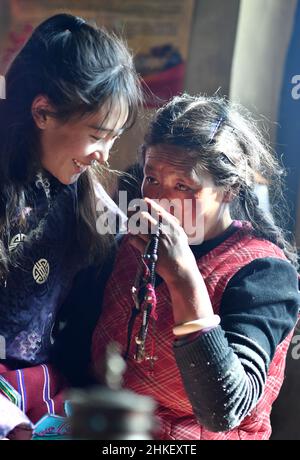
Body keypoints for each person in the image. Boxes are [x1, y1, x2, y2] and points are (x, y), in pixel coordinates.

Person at [91, 94, 300, 440]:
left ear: (229, 190)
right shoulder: (129, 247)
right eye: (152, 178)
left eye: (183, 186)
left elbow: (225, 409)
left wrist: (183, 276)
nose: (158, 200)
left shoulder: (264, 274)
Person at [0, 12, 141, 438]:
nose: (105, 155)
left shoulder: (79, 191)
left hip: (40, 389)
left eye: (114, 137)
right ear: (42, 112)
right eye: (98, 135)